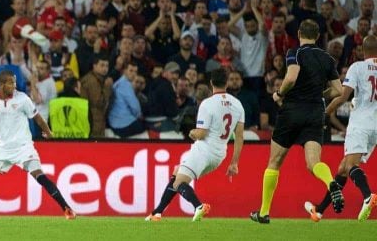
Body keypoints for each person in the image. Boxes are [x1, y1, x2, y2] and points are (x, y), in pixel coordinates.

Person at [251, 20, 344, 224]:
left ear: (300, 34)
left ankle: (264, 212)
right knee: (313, 163)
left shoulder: (295, 52)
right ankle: (331, 182)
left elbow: (291, 78)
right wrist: (320, 93)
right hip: (315, 113)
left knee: (274, 162)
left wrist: (278, 93)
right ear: (318, 37)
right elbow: (338, 91)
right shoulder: (327, 58)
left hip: (292, 110)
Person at [145, 68, 245, 221]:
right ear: (226, 83)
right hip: (219, 156)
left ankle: (198, 206)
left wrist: (191, 132)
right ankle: (157, 213)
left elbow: (201, 134)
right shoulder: (237, 105)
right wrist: (234, 163)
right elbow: (239, 137)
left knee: (179, 182)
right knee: (178, 172)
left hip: (204, 151)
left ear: (211, 83)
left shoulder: (207, 104)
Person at [0, 70, 76, 219]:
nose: (14, 86)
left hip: (24, 147)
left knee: (40, 176)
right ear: (2, 84)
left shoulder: (22, 98)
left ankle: (66, 208)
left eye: (15, 82)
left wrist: (48, 132)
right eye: (11, 83)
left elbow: (37, 117)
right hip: (2, 149)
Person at [305, 35, 377, 222]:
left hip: (360, 123)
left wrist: (325, 114)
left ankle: (368, 196)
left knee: (351, 165)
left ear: (362, 50)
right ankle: (319, 211)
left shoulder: (357, 67)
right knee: (343, 168)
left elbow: (343, 96)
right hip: (375, 127)